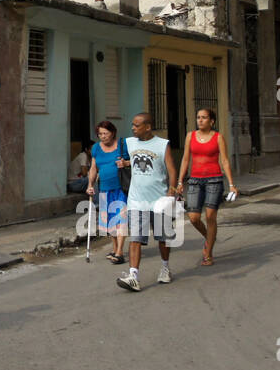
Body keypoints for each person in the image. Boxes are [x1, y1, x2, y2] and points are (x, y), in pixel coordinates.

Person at [116, 113, 179, 293]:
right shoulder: (129, 142)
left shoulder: (162, 144)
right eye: (133, 125)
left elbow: (172, 170)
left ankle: (165, 267)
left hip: (159, 200)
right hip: (136, 200)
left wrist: (171, 192)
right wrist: (126, 163)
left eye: (137, 125)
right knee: (135, 238)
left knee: (162, 238)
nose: (133, 128)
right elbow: (131, 159)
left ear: (148, 127)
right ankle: (133, 276)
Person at [176, 108, 239, 266]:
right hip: (195, 181)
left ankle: (208, 251)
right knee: (194, 218)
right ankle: (209, 236)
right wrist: (179, 181)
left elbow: (224, 161)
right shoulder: (190, 136)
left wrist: (231, 184)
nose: (200, 120)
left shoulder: (218, 138)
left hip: (214, 180)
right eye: (198, 117)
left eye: (204, 118)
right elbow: (185, 160)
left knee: (210, 216)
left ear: (211, 121)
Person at [85, 121, 129, 264]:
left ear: (113, 133)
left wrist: (125, 163)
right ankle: (115, 248)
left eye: (105, 133)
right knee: (110, 221)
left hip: (121, 188)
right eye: (100, 134)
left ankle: (120, 252)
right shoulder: (96, 148)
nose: (103, 136)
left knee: (121, 219)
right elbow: (93, 168)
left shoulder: (123, 145)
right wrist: (90, 184)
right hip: (104, 188)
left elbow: (133, 162)